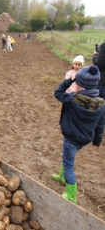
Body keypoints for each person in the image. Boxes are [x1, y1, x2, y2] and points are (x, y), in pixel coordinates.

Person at [53, 65, 105, 204]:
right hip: (85, 139)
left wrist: (70, 80)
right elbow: (101, 123)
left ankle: (71, 196)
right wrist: (97, 141)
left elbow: (57, 93)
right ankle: (61, 176)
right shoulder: (101, 103)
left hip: (71, 138)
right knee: (67, 158)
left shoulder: (73, 99)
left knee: (69, 165)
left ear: (80, 85)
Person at [52, 55, 84, 185]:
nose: (77, 66)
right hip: (69, 97)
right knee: (67, 152)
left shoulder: (82, 76)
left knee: (68, 154)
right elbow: (64, 87)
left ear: (82, 66)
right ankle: (61, 175)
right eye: (75, 64)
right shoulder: (69, 73)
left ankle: (71, 193)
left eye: (79, 64)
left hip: (75, 100)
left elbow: (58, 92)